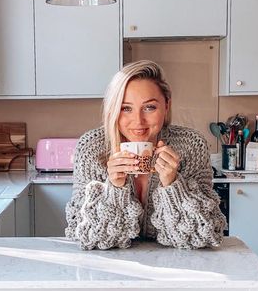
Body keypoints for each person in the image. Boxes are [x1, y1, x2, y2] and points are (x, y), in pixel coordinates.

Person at [65, 60, 226, 250]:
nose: (138, 121)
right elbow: (87, 236)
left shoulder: (191, 145)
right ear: (112, 110)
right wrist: (115, 190)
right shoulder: (92, 147)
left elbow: (205, 234)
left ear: (166, 106)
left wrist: (173, 185)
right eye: (126, 108)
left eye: (149, 107)